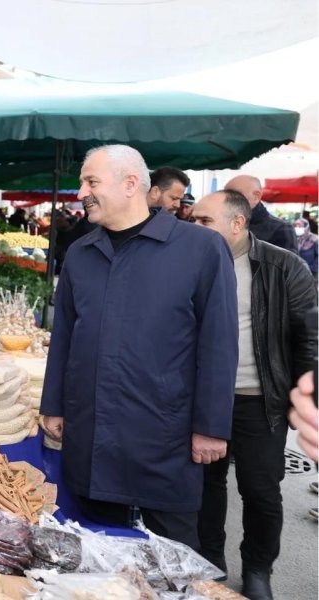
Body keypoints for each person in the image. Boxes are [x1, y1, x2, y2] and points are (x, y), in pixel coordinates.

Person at [40, 145, 237, 549]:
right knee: (97, 553)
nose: (81, 193)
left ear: (130, 183)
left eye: (91, 182)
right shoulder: (80, 253)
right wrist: (54, 403)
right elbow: (64, 336)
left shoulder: (200, 248)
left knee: (172, 558)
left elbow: (219, 344)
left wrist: (211, 428)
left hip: (164, 436)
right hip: (91, 432)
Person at [191, 190, 316, 599]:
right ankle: (209, 562)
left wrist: (303, 398)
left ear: (238, 223)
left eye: (205, 221)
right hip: (202, 398)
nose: (195, 228)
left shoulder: (284, 266)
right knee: (204, 486)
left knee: (261, 491)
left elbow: (309, 338)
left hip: (260, 400)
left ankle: (258, 568)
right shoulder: (188, 263)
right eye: (193, 220)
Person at [225, 175, 297, 252]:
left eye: (234, 194)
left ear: (256, 196)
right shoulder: (223, 222)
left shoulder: (281, 229)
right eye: (225, 194)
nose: (226, 199)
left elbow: (287, 259)